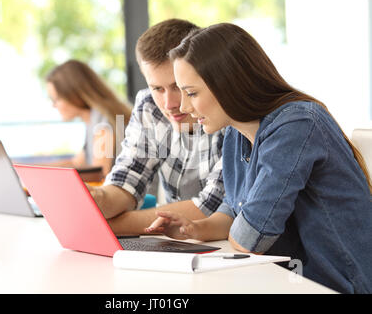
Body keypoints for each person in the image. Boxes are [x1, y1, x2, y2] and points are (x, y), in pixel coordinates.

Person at [146, 23, 372, 294]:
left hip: (335, 285)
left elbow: (250, 238)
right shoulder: (235, 133)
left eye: (191, 93)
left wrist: (240, 227)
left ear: (228, 83)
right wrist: (195, 229)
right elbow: (234, 209)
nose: (183, 107)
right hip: (286, 280)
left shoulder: (297, 124)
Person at [87, 19, 226, 234]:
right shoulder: (149, 106)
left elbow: (211, 208)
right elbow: (128, 178)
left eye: (178, 87)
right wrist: (97, 199)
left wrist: (104, 226)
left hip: (222, 245)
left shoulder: (228, 113)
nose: (169, 104)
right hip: (175, 244)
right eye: (157, 88)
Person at [45, 59, 132, 177]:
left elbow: (100, 174)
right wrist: (27, 169)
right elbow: (76, 162)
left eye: (56, 99)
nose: (53, 105)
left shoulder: (103, 121)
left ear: (73, 95)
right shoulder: (91, 120)